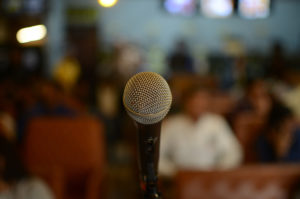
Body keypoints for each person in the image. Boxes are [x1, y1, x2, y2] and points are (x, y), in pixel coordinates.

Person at [159, 86, 243, 176]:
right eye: (194, 99)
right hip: (179, 178)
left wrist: (218, 171)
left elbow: (233, 153)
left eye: (202, 100)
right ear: (186, 102)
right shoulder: (172, 124)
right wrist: (174, 172)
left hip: (211, 178)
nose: (198, 103)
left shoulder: (217, 123)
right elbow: (158, 156)